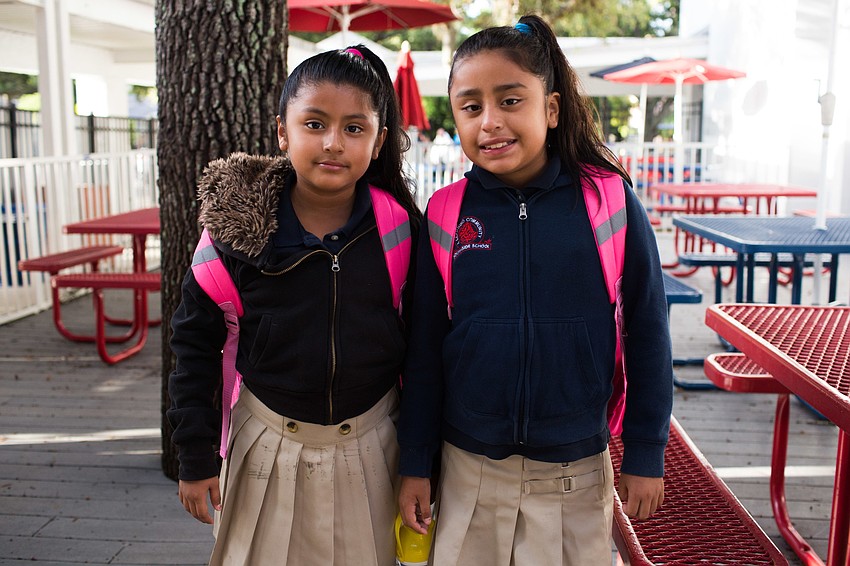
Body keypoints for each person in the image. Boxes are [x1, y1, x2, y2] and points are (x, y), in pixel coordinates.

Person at [396, 14, 673, 565]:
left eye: (510, 100)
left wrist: (646, 451)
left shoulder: (608, 202)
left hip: (575, 474)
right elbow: (423, 353)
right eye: (471, 107)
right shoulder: (446, 215)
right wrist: (415, 463)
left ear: (550, 108)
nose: (490, 122)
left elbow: (647, 331)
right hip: (468, 469)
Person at [168, 44, 420, 566]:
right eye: (314, 123)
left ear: (377, 143)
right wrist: (193, 458)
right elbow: (192, 347)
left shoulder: (400, 233)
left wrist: (420, 459)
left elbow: (424, 353)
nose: (332, 143)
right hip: (267, 443)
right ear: (283, 131)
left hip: (373, 445)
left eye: (354, 128)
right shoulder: (232, 239)